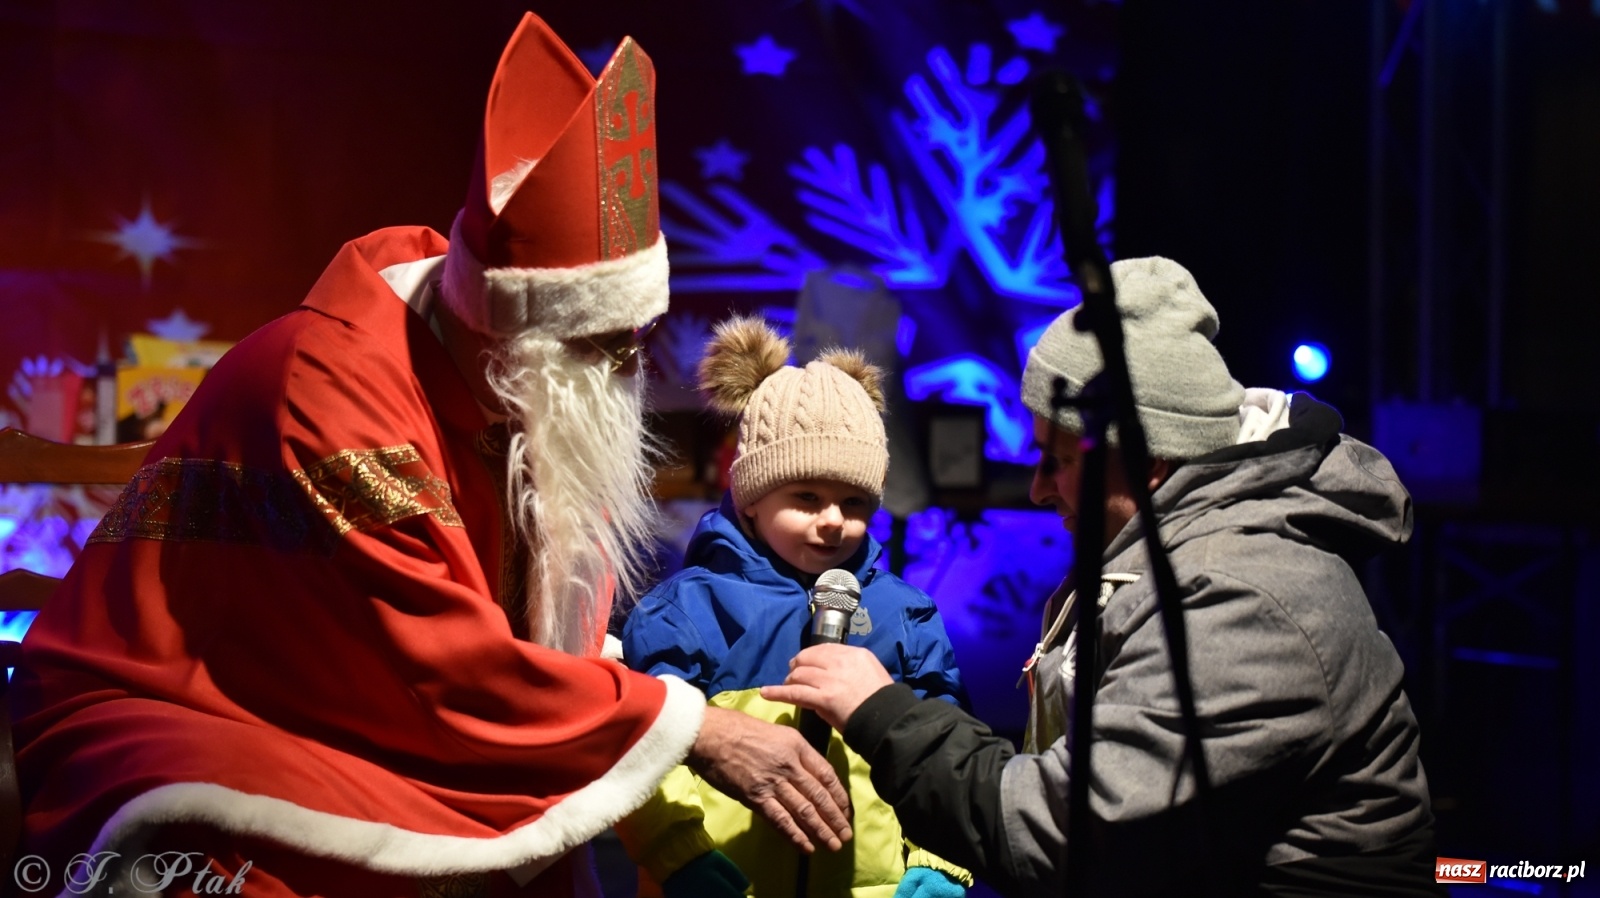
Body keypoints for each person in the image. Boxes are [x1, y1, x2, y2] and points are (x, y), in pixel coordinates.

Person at [13, 14, 850, 898]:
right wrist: (697, 729)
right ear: (526, 341)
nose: (628, 373)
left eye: (635, 340)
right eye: (606, 347)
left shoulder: (499, 367)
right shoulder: (333, 391)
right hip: (206, 705)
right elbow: (441, 665)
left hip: (352, 696)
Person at [765, 257, 1444, 897]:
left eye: (1056, 460)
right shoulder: (1163, 555)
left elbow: (1063, 836)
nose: (1036, 489)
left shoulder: (1240, 598)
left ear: (1149, 461)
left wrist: (883, 715)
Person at [615, 317, 972, 898]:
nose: (833, 520)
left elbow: (947, 748)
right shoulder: (686, 608)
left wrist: (937, 865)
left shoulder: (906, 616)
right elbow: (644, 745)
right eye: (806, 496)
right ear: (752, 497)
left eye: (854, 501)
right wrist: (679, 858)